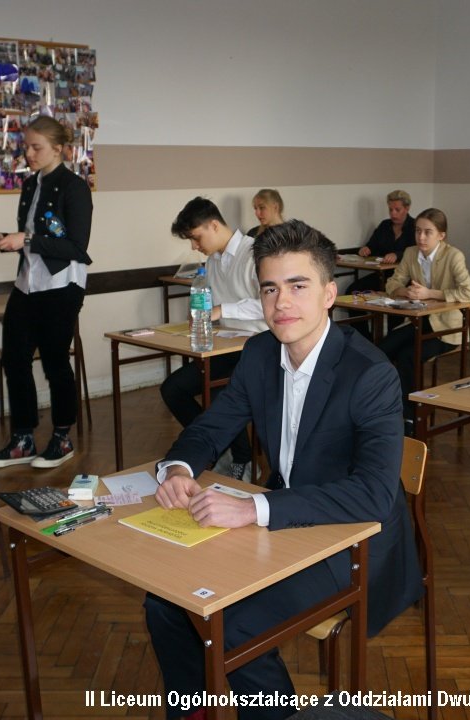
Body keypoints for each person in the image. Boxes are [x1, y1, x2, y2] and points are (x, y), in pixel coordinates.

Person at [144, 220, 422, 720]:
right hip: (287, 521)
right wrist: (179, 468)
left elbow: (374, 495)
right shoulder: (258, 353)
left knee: (235, 625)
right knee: (165, 601)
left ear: (329, 295)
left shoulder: (371, 374)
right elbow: (211, 428)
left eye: (298, 286)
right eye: (270, 288)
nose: (281, 303)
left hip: (353, 539)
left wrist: (253, 507)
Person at [0, 115, 92, 469]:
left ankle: (62, 437)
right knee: (14, 359)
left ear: (58, 148)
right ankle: (23, 439)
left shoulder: (75, 187)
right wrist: (7, 239)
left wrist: (25, 239)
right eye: (26, 147)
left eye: (36, 147)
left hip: (61, 285)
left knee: (55, 362)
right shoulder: (31, 185)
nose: (28, 153)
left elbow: (76, 246)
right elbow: (32, 235)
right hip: (27, 283)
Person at [160, 197, 268, 481]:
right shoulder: (213, 262)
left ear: (214, 225)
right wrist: (200, 315)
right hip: (226, 346)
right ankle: (221, 449)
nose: (194, 246)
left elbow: (270, 304)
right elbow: (208, 305)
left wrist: (221, 310)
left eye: (196, 238)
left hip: (260, 347)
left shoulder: (255, 253)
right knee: (173, 388)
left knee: (221, 395)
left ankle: (244, 459)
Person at [378, 208, 470, 421]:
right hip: (418, 321)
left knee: (407, 356)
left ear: (441, 235)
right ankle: (387, 405)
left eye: (428, 232)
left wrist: (430, 293)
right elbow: (392, 283)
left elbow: (468, 293)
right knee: (381, 350)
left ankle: (411, 414)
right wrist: (406, 291)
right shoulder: (411, 253)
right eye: (417, 231)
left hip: (448, 326)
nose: (421, 237)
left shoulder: (453, 256)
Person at [348, 189, 416, 295]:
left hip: (405, 277)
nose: (393, 214)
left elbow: (416, 252)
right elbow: (372, 245)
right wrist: (366, 249)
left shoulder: (415, 226)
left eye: (397, 210)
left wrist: (397, 255)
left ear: (407, 208)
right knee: (353, 290)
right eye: (390, 210)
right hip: (383, 273)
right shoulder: (385, 225)